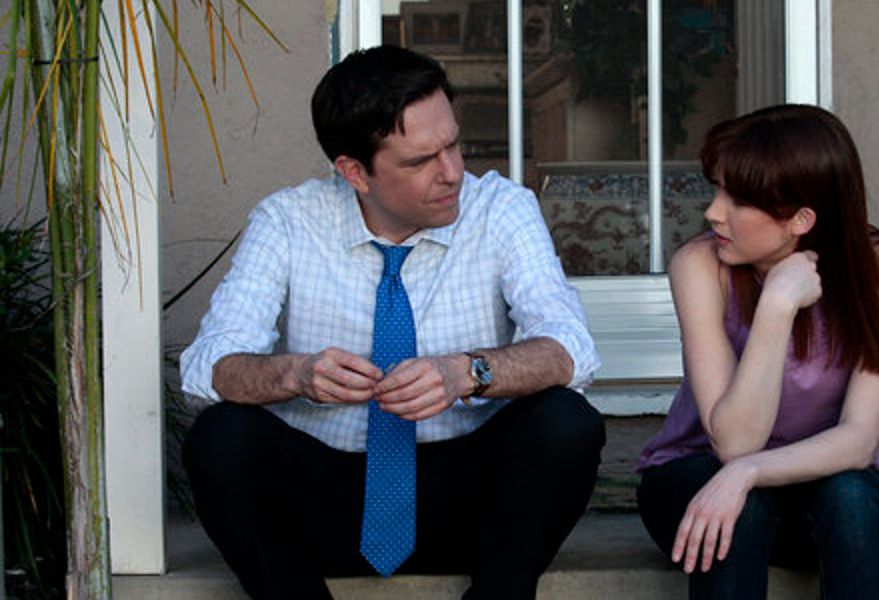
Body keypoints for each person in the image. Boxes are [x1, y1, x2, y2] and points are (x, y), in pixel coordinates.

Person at [179, 45, 604, 600]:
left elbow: (571, 349)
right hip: (329, 495)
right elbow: (205, 369)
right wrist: (297, 375)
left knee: (566, 422)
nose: (452, 172)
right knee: (220, 438)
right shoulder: (287, 220)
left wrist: (466, 373)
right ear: (354, 171)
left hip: (468, 499)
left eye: (454, 144)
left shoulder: (502, 209)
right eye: (420, 161)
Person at [635, 104, 879, 600]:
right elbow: (735, 443)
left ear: (800, 219)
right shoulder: (700, 266)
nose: (713, 212)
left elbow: (857, 439)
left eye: (737, 199)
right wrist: (776, 307)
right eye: (717, 189)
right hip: (695, 480)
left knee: (853, 495)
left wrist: (748, 473)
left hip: (811, 486)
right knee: (746, 507)